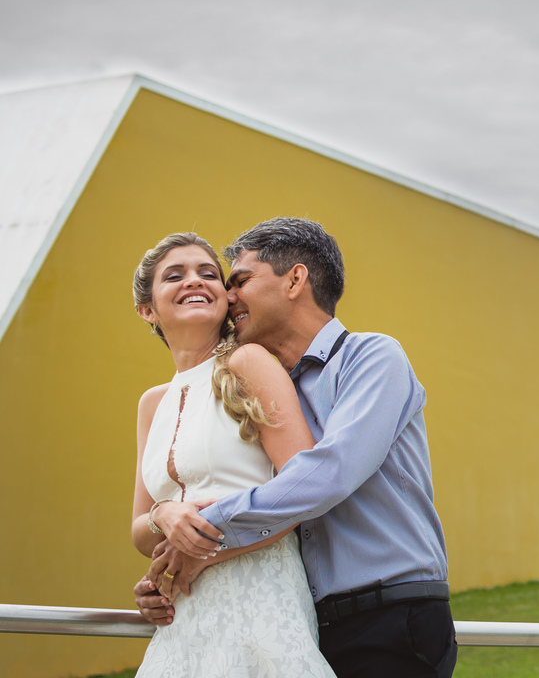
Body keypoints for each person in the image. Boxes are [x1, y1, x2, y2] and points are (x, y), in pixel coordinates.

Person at [135, 217, 457, 678]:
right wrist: (169, 562)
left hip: (389, 614)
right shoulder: (267, 384)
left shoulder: (372, 357)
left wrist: (200, 537)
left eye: (239, 280)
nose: (230, 297)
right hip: (306, 617)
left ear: (295, 280)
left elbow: (328, 474)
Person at [131, 232, 335, 677]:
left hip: (259, 595)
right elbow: (141, 531)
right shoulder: (151, 403)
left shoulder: (248, 363)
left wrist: (197, 553)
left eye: (208, 274)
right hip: (184, 617)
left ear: (225, 299)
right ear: (148, 309)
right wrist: (164, 515)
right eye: (175, 275)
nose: (196, 281)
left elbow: (302, 488)